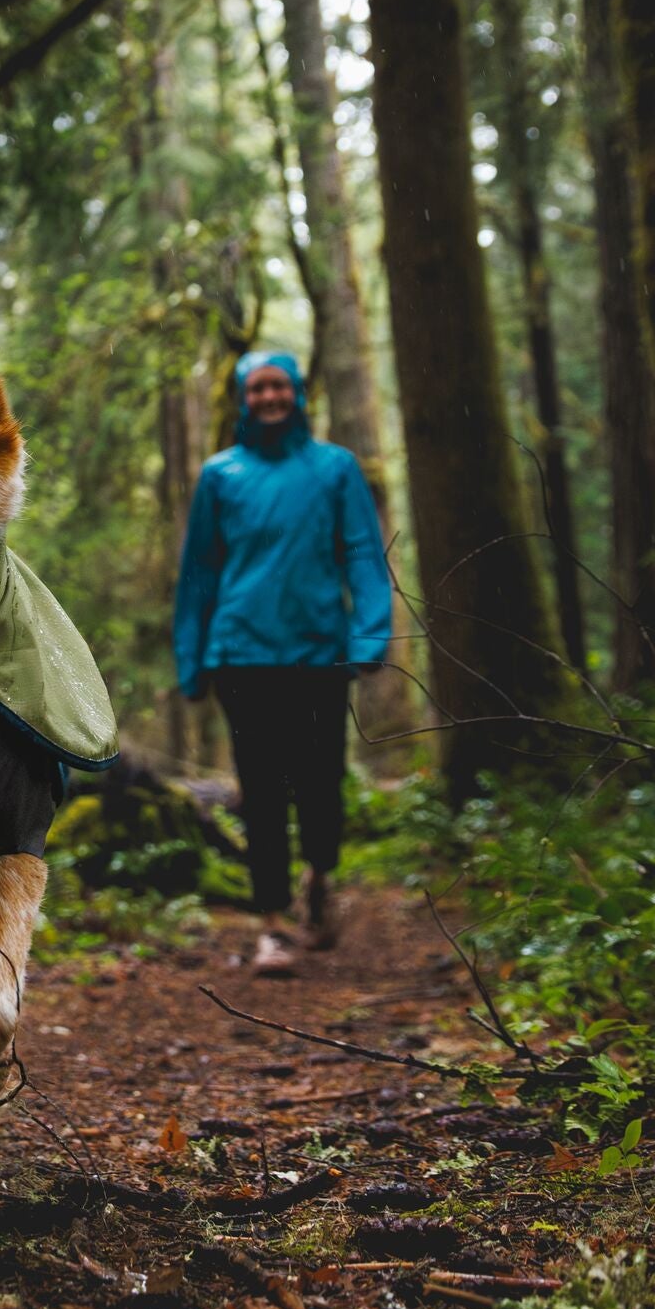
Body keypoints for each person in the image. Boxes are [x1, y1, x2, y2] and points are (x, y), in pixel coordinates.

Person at [172, 348, 393, 960]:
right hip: (241, 656)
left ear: (297, 393)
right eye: (257, 389)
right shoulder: (221, 475)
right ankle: (271, 921)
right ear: (244, 399)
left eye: (279, 387)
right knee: (261, 790)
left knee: (322, 782)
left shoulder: (335, 468)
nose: (269, 398)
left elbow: (362, 554)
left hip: (320, 653)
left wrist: (370, 635)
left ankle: (319, 877)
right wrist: (192, 658)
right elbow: (199, 574)